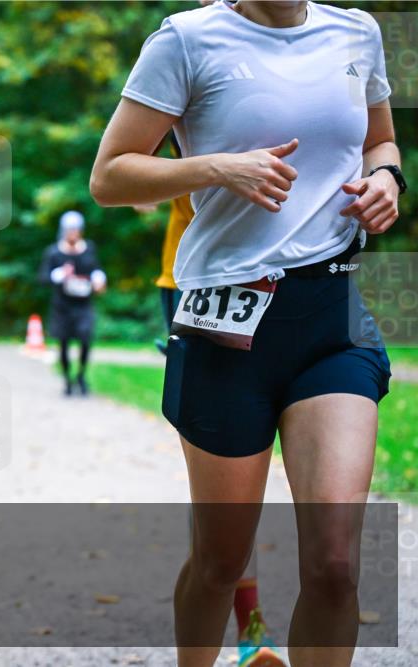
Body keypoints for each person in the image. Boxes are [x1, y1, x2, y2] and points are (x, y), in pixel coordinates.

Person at [91, 1, 402, 666]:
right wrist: (217, 167)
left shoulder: (356, 31)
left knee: (336, 563)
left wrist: (386, 177)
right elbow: (109, 176)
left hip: (331, 316)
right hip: (225, 325)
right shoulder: (187, 39)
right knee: (221, 560)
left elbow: (381, 140)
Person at [146, 131, 286, 667]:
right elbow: (128, 184)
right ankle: (248, 625)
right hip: (197, 283)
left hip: (298, 279)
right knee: (223, 471)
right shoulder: (181, 93)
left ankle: (233, 606)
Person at [39, 210, 107, 396]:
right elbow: (43, 278)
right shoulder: (54, 252)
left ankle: (81, 376)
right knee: (63, 343)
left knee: (85, 338)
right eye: (70, 229)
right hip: (62, 306)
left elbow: (96, 269)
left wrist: (99, 280)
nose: (73, 233)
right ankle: (67, 380)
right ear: (63, 230)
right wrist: (61, 274)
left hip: (84, 304)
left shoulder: (88, 248)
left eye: (76, 229)